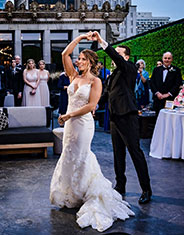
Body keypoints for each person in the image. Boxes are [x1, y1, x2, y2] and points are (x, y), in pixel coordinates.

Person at [50, 33, 134, 232]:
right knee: (68, 155)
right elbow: (64, 53)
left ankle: (85, 193)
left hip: (83, 124)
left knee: (81, 156)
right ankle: (71, 194)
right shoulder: (72, 76)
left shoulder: (96, 82)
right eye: (77, 58)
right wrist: (80, 37)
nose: (77, 61)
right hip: (70, 124)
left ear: (89, 62)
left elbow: (91, 105)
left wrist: (69, 115)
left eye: (81, 59)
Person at [91, 31, 152, 204]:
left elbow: (117, 59)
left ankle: (146, 189)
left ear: (125, 57)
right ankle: (120, 186)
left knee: (135, 152)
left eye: (118, 54)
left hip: (128, 116)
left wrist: (102, 41)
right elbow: (108, 93)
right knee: (118, 154)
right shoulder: (114, 74)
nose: (115, 56)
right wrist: (96, 104)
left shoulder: (129, 68)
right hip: (115, 118)